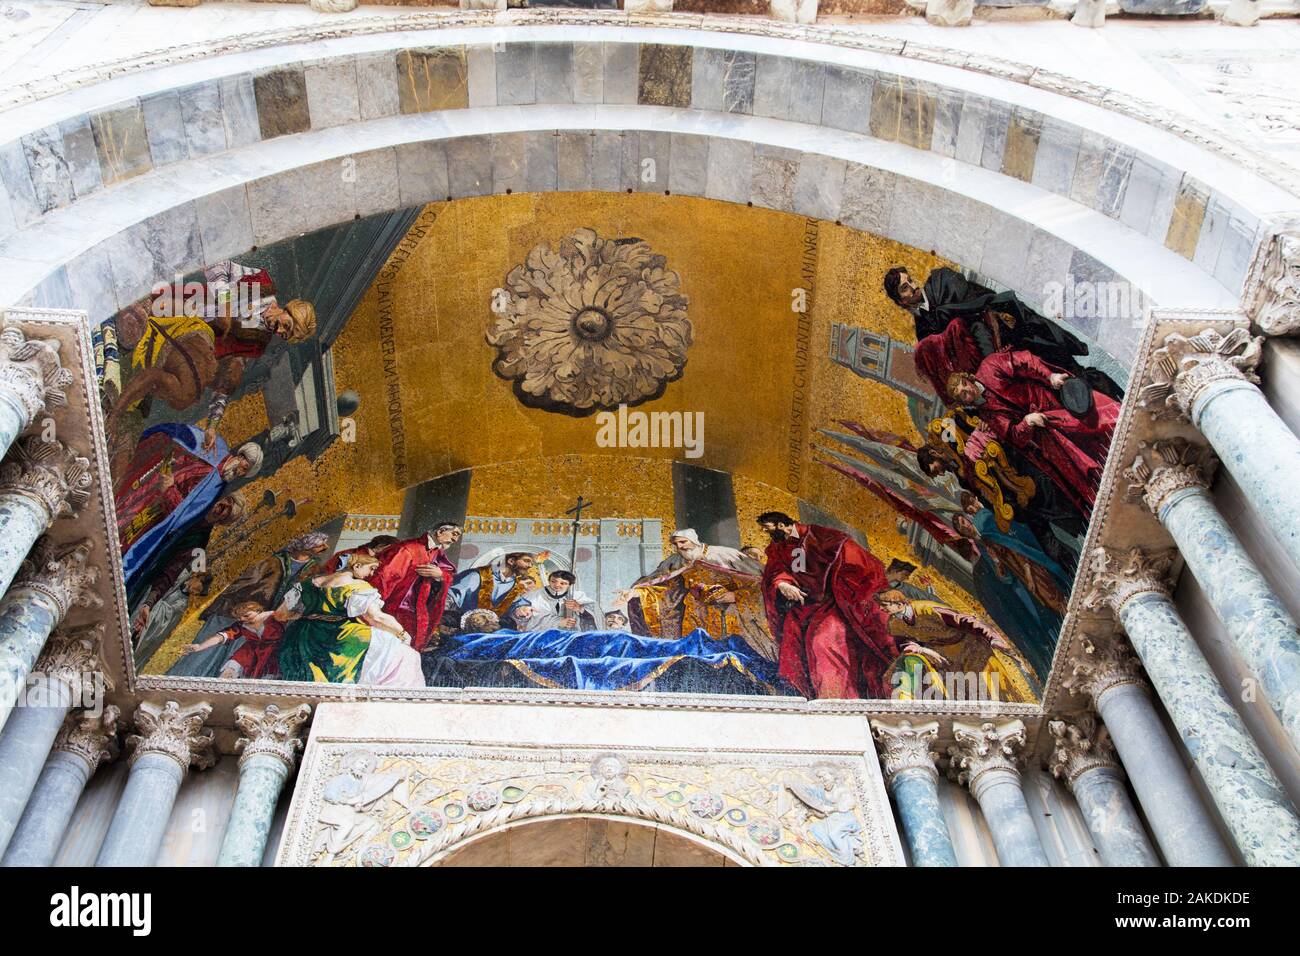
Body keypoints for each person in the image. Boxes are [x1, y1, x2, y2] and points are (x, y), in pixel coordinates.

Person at [883, 265, 1121, 399]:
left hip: (1008, 330)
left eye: (911, 280)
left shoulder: (940, 280)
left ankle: (1102, 390)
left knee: (1056, 360)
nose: (914, 286)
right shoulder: (923, 333)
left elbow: (975, 302)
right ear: (900, 301)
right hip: (991, 367)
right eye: (905, 288)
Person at [947, 348, 1118, 513]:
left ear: (967, 378)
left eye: (965, 384)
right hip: (1043, 431)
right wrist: (1027, 422)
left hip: (1051, 399)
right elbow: (1014, 436)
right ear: (965, 402)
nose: (968, 390)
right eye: (963, 395)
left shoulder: (989, 367)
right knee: (1080, 465)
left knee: (1098, 424)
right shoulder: (987, 415)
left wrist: (1050, 376)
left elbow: (1025, 361)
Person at [757, 511, 897, 699]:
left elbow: (853, 559)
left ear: (781, 525)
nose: (766, 533)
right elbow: (776, 570)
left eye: (768, 528)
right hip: (805, 606)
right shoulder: (777, 548)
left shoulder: (819, 535)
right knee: (791, 646)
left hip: (835, 603)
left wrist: (840, 586)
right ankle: (806, 697)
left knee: (823, 642)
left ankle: (837, 701)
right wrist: (782, 583)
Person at [115, 422, 262, 590]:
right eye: (242, 466)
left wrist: (170, 490)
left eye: (244, 472)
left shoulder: (217, 489)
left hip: (157, 514)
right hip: (148, 489)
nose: (240, 472)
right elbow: (180, 437)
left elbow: (181, 515)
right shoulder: (215, 447)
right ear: (240, 456)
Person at [619, 529, 774, 660]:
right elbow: (663, 586)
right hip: (693, 613)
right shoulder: (676, 561)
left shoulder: (724, 554)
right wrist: (637, 592)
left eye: (683, 542)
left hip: (728, 612)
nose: (679, 547)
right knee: (696, 655)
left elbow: (760, 581)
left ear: (694, 540)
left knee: (731, 654)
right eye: (676, 544)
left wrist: (735, 596)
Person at [276, 552, 424, 687]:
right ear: (357, 566)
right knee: (404, 653)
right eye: (371, 568)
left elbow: (280, 615)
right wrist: (401, 632)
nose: (371, 573)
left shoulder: (305, 584)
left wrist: (311, 615)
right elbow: (376, 618)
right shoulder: (357, 587)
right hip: (339, 635)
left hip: (302, 636)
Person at [876, 589, 1036, 703]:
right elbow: (905, 643)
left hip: (969, 649)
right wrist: (923, 650)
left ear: (898, 603)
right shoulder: (894, 624)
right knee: (964, 690)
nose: (881, 609)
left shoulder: (927, 609)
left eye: (884, 604)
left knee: (988, 687)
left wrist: (991, 637)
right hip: (946, 656)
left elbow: (963, 620)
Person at [368, 523, 461, 652]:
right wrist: (373, 607)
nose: (455, 540)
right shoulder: (408, 548)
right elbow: (385, 577)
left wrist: (440, 575)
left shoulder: (437, 552)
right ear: (441, 531)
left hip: (417, 611)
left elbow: (448, 574)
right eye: (454, 534)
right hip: (396, 609)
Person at [446, 552, 544, 623]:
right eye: (527, 561)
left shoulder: (514, 584)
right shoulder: (476, 575)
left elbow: (515, 605)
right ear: (511, 561)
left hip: (492, 628)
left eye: (531, 563)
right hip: (465, 626)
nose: (530, 566)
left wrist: (521, 610)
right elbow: (449, 598)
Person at [517, 570, 600, 631]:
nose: (557, 585)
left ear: (569, 584)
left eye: (563, 583)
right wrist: (558, 622)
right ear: (549, 581)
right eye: (553, 581)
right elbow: (524, 619)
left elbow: (596, 614)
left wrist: (580, 609)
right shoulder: (532, 596)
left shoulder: (578, 596)